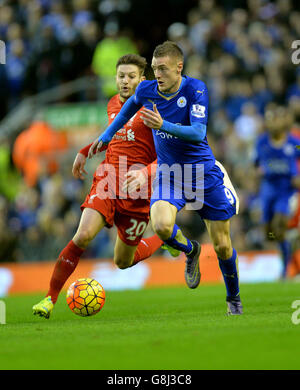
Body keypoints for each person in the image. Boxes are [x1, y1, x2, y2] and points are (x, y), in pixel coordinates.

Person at [88, 41, 242, 315]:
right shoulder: (147, 89)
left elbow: (197, 132)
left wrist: (163, 125)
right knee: (160, 226)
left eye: (163, 69)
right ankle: (190, 250)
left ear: (178, 67)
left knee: (222, 245)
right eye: (155, 68)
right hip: (170, 174)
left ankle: (234, 299)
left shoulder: (196, 89)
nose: (157, 74)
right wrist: (107, 135)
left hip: (201, 173)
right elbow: (128, 108)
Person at [33, 53, 178, 319]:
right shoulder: (113, 104)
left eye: (131, 76)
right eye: (121, 76)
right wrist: (86, 150)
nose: (125, 81)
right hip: (108, 180)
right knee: (84, 235)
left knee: (122, 261)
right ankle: (49, 299)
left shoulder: (156, 110)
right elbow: (114, 139)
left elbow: (170, 155)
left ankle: (166, 238)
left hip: (138, 191)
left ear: (142, 79)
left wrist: (146, 173)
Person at [254, 105, 300, 279]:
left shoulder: (293, 143)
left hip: (285, 189)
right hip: (268, 189)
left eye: (276, 119)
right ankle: (287, 245)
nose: (273, 123)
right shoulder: (262, 142)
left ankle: (286, 267)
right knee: (269, 232)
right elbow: (256, 163)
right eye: (270, 119)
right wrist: (258, 170)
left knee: (280, 223)